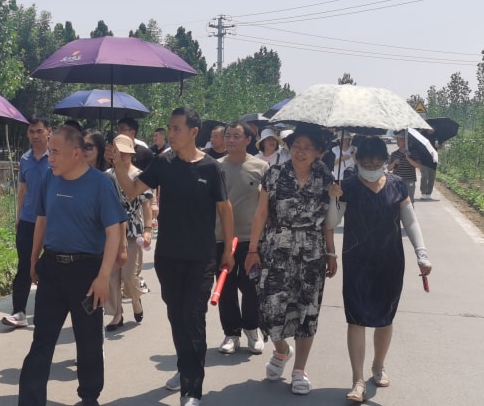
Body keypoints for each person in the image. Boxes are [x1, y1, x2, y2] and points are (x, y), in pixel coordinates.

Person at [109, 107, 233, 406]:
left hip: (201, 258)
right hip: (169, 258)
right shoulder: (163, 162)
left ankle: (192, 389)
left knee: (194, 318)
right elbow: (133, 190)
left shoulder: (210, 168)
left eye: (177, 128)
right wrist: (121, 164)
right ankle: (184, 366)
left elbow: (224, 208)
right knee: (177, 317)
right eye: (170, 127)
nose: (171, 133)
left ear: (194, 132)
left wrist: (228, 251)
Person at [17, 126, 125, 406]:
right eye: (49, 151)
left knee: (88, 340)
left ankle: (89, 396)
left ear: (76, 153)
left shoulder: (100, 184)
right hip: (52, 268)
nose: (50, 158)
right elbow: (41, 219)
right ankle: (30, 400)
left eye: (55, 152)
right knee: (42, 340)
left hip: (87, 272)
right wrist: (33, 260)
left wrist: (103, 277)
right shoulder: (49, 178)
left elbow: (114, 231)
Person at [326, 136, 433, 402]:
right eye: (366, 162)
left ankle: (378, 365)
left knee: (385, 316)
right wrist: (334, 200)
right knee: (356, 317)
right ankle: (357, 380)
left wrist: (422, 254)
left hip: (390, 259)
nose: (371, 167)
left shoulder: (397, 185)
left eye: (376, 163)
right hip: (357, 260)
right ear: (357, 160)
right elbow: (331, 222)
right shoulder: (347, 186)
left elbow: (410, 221)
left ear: (385, 161)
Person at [244, 124, 337, 396]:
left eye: (308, 148)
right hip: (277, 247)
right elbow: (261, 213)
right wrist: (252, 250)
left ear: (318, 152)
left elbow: (329, 221)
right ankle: (282, 350)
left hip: (312, 251)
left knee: (307, 309)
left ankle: (299, 370)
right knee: (270, 307)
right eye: (296, 146)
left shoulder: (325, 176)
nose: (301, 152)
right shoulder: (274, 174)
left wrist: (331, 252)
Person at [213, 122, 269, 356]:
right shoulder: (215, 167)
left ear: (248, 139)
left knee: (251, 287)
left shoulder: (261, 167)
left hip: (250, 239)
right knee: (225, 289)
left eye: (237, 136)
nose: (231, 140)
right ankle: (231, 333)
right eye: (228, 135)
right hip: (221, 238)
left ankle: (252, 330)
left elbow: (267, 205)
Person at [3, 118, 52, 328]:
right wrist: (18, 216)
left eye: (39, 131)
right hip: (28, 219)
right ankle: (19, 312)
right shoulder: (25, 159)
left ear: (49, 132)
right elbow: (23, 189)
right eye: (31, 132)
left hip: (52, 221)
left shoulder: (56, 157)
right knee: (24, 265)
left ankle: (47, 310)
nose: (35, 136)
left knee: (48, 266)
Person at [104, 134, 152, 331]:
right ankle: (117, 314)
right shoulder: (107, 175)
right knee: (112, 274)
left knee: (129, 275)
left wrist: (148, 230)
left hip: (133, 230)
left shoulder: (139, 175)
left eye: (125, 152)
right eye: (118, 152)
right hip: (110, 228)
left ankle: (135, 299)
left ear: (132, 154)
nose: (121, 155)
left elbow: (146, 204)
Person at [387, 133, 421, 202]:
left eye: (400, 140)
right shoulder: (394, 154)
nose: (398, 142)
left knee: (410, 200)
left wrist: (408, 159)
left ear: (406, 141)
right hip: (397, 180)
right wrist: (394, 162)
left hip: (410, 180)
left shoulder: (413, 153)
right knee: (397, 200)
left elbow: (418, 166)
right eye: (397, 140)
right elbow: (389, 168)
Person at [418, 129, 440, 200]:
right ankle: (423, 193)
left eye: (433, 128)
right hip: (424, 159)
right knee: (424, 176)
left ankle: (429, 193)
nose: (432, 129)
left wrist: (438, 145)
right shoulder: (422, 135)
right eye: (431, 128)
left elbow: (441, 146)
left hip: (433, 160)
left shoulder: (437, 136)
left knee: (431, 177)